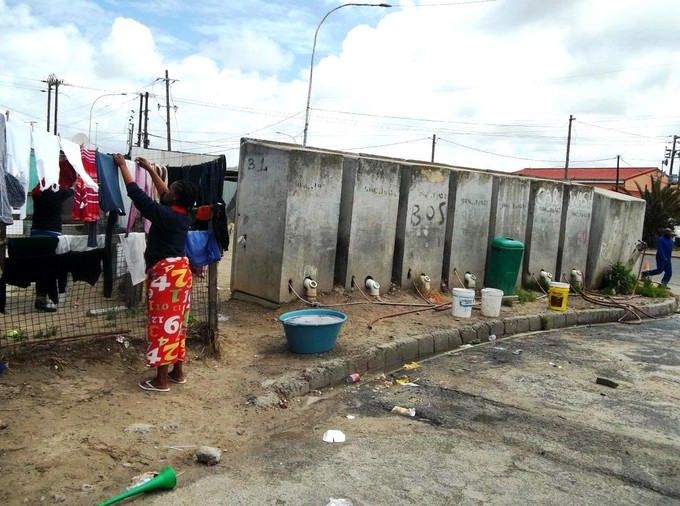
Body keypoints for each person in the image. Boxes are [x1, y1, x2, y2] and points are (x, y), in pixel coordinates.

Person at [114, 153, 198, 393]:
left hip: (166, 276)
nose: (166, 190)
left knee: (162, 325)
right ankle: (177, 372)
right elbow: (163, 193)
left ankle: (160, 380)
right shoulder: (182, 215)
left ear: (175, 197)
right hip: (180, 273)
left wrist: (122, 166)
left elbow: (137, 196)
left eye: (170, 189)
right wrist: (150, 170)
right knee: (178, 324)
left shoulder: (166, 215)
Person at [30, 181, 75, 312]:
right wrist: (74, 184)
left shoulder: (36, 194)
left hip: (36, 234)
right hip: (52, 235)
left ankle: (41, 296)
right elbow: (71, 190)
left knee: (41, 266)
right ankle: (51, 297)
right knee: (50, 267)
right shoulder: (58, 195)